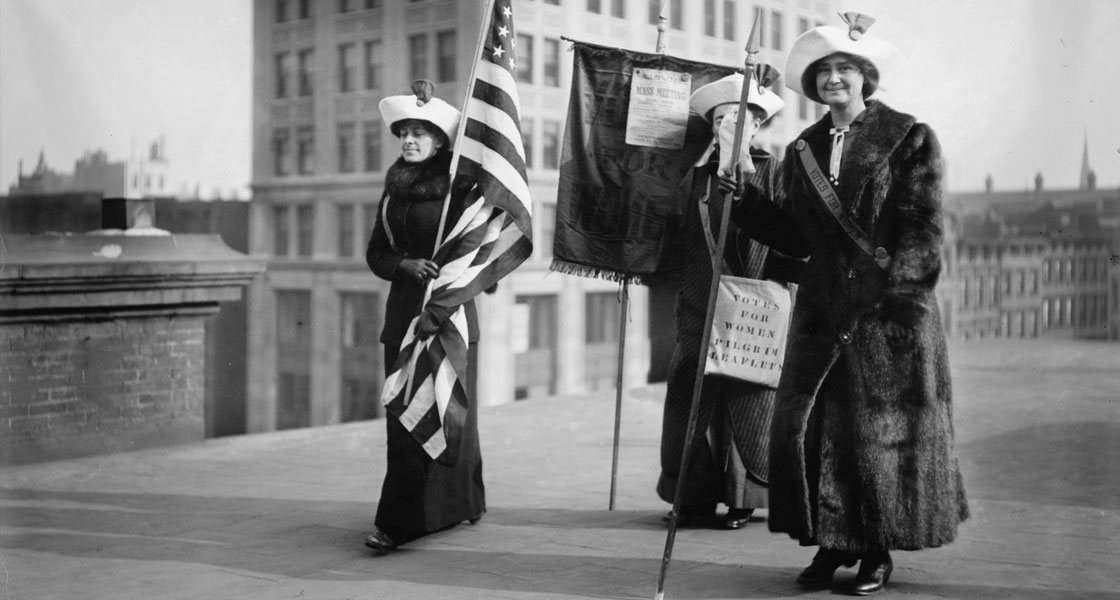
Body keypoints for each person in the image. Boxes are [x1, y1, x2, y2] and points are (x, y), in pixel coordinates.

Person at [725, 14, 968, 595]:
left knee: (880, 433)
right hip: (823, 311)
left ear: (865, 78)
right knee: (811, 430)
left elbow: (921, 229)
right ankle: (831, 544)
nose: (834, 79)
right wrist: (746, 202)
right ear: (811, 86)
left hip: (888, 314)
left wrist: (903, 306)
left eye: (845, 70)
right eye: (823, 72)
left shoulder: (909, 137)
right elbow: (794, 236)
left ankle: (876, 552)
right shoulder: (802, 149)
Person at [656, 69, 803, 530]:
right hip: (700, 299)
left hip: (756, 300)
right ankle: (691, 495)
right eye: (724, 118)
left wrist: (779, 292)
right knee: (691, 393)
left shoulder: (776, 173)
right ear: (713, 126)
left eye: (745, 119)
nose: (734, 127)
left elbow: (792, 239)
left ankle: (744, 496)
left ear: (758, 126)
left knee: (748, 390)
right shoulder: (695, 180)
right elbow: (675, 242)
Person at [363, 80, 484, 553]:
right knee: (405, 415)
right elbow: (375, 253)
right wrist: (402, 265)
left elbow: (477, 252)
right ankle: (405, 519)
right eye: (404, 133)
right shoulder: (392, 194)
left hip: (448, 315)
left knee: (451, 413)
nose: (409, 140)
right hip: (403, 318)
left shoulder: (462, 192)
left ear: (440, 142)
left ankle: (457, 503)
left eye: (420, 133)